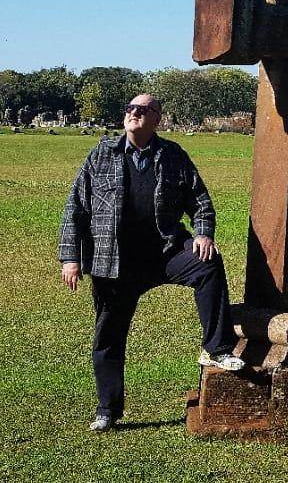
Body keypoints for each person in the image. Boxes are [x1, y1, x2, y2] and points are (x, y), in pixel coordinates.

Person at [58, 94, 244, 433]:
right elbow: (76, 209)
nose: (133, 113)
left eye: (142, 110)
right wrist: (70, 258)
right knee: (109, 335)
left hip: (166, 252)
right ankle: (107, 409)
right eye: (129, 108)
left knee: (207, 264)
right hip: (114, 261)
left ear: (157, 119)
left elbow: (200, 200)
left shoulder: (172, 155)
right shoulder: (101, 154)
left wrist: (203, 234)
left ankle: (216, 349)